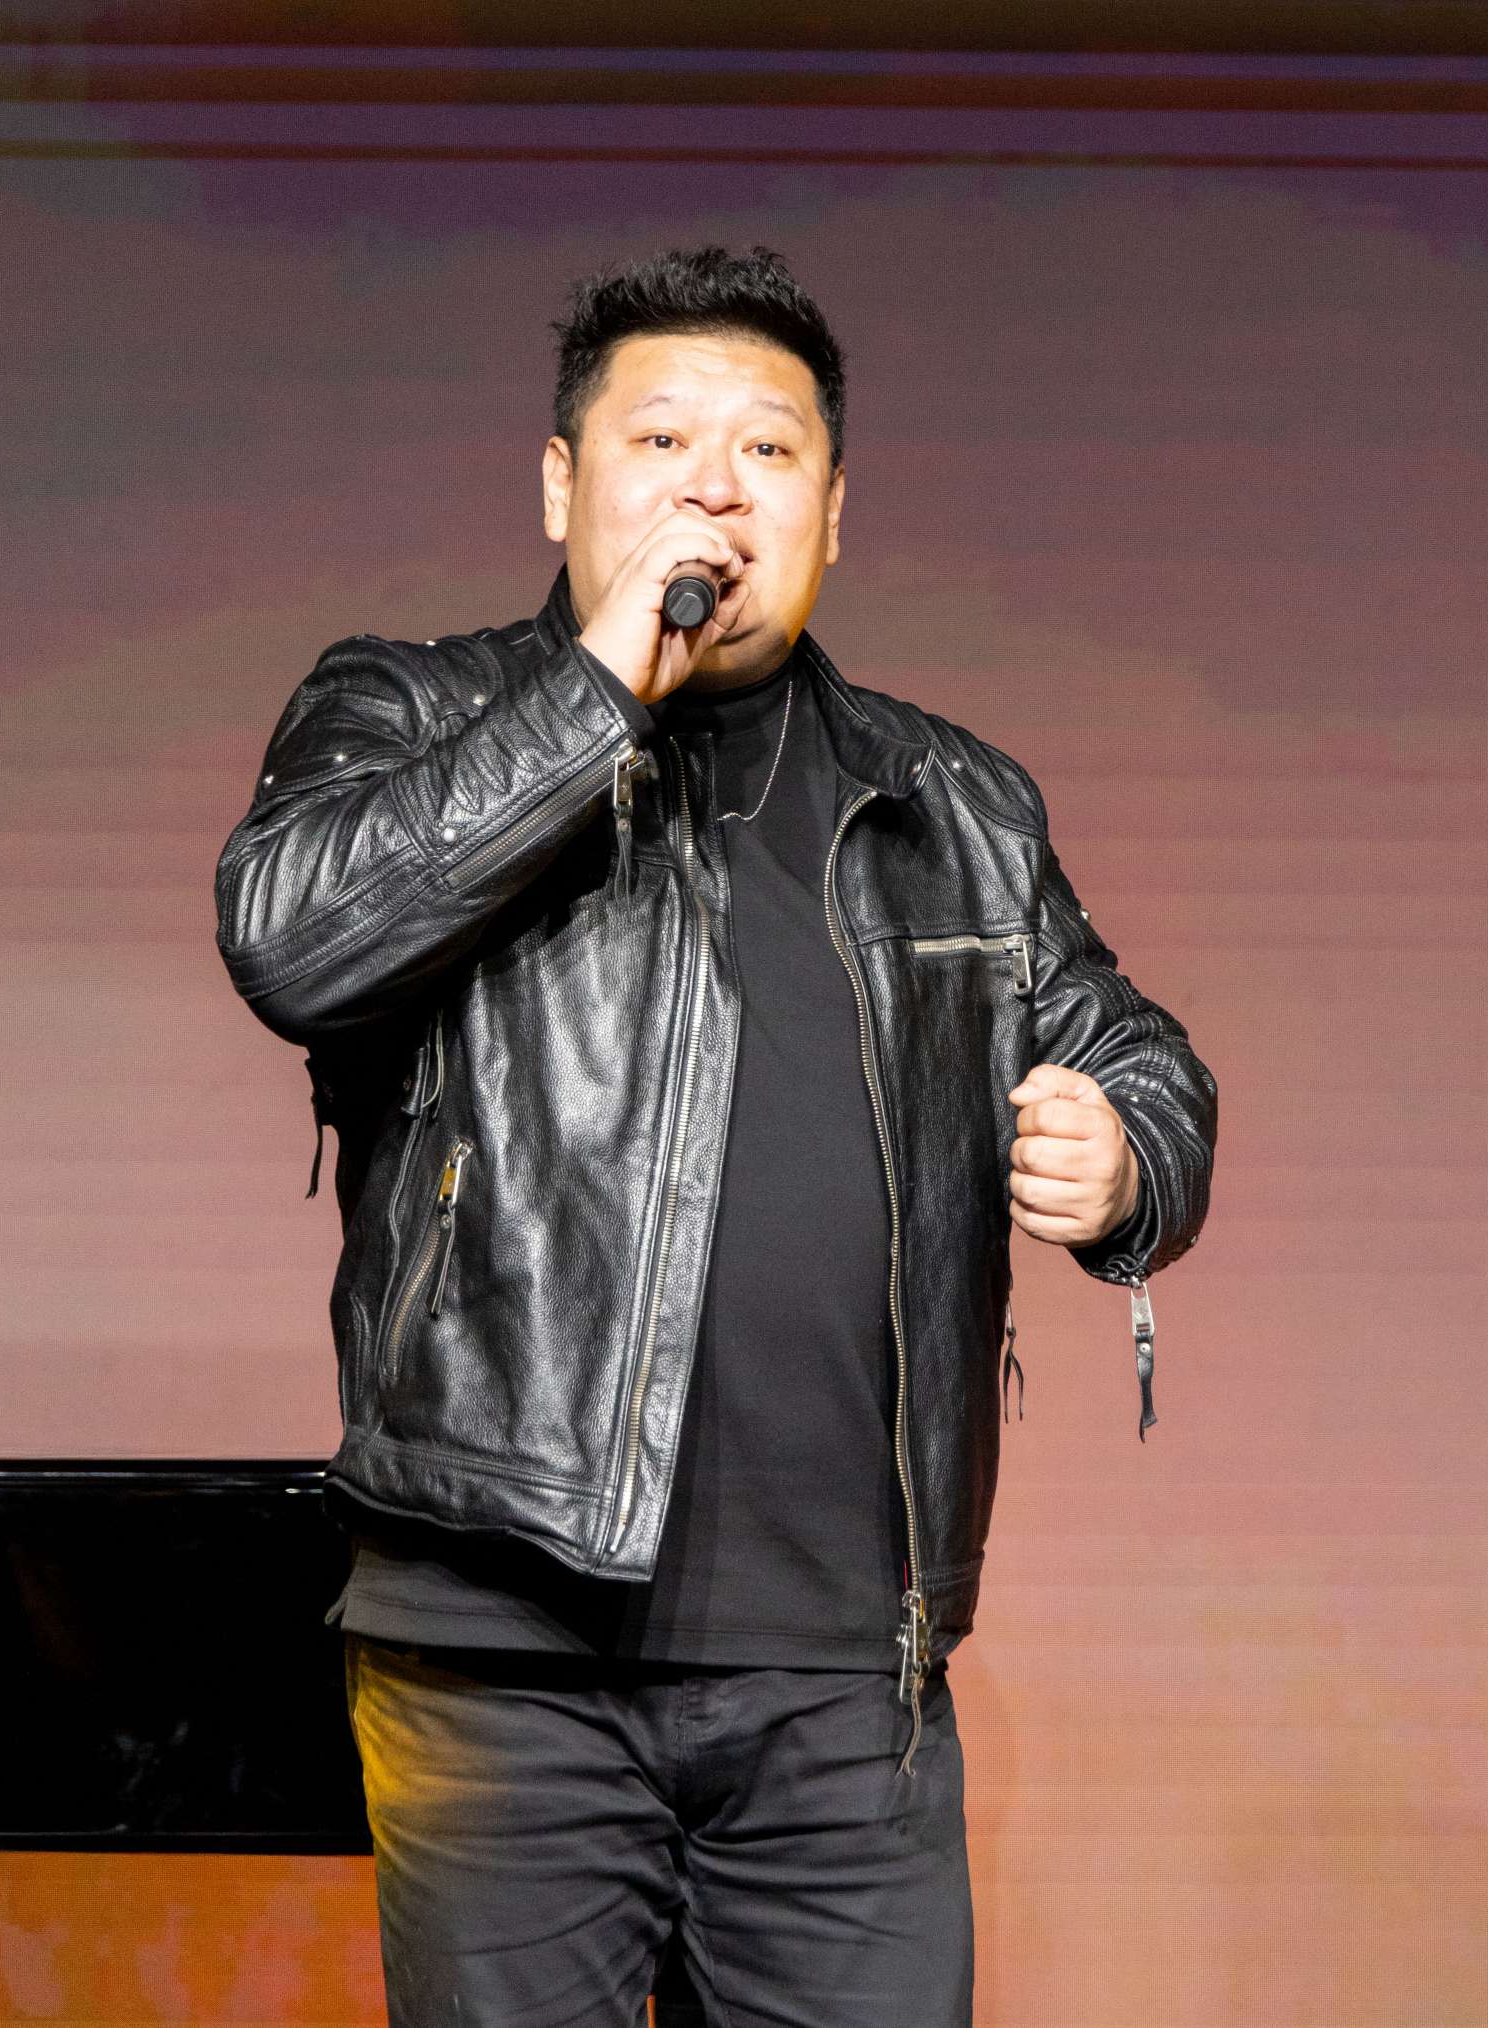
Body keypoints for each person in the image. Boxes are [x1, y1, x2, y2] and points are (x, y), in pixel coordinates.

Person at [214, 245, 1215, 2027]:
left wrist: (1129, 1150)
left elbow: (1138, 1053)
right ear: (560, 485)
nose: (714, 489)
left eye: (766, 452)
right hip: (507, 1662)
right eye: (661, 440)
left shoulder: (952, 804)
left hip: (845, 1681)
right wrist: (600, 686)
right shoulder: (411, 710)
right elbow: (293, 939)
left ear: (834, 509)